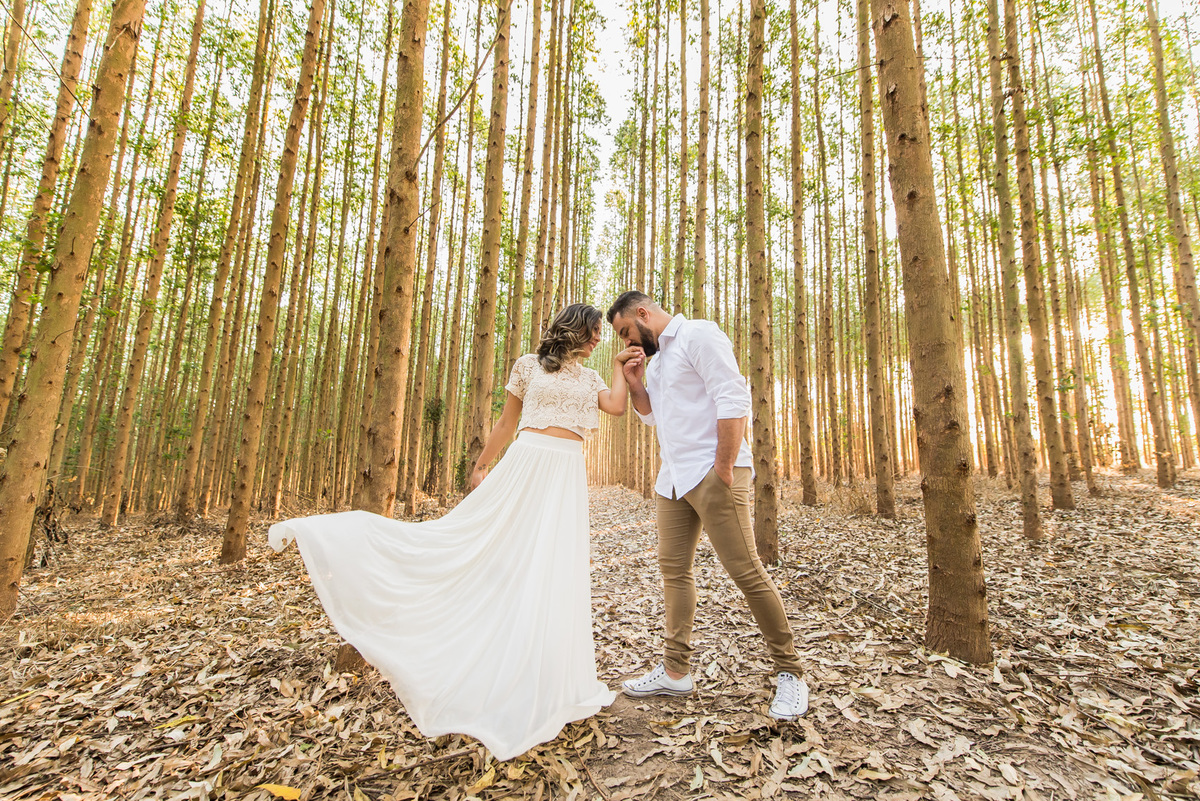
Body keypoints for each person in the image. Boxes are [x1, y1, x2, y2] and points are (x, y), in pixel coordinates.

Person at [269, 303, 635, 760]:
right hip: (525, 466)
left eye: (603, 334)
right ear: (572, 328)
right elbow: (506, 423)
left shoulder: (592, 378)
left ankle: (544, 674)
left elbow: (618, 408)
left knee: (554, 571)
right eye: (595, 331)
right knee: (476, 548)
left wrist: (620, 366)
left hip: (565, 478)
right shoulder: (528, 366)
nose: (600, 339)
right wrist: (481, 465)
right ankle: (332, 537)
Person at [606, 290, 809, 721]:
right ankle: (676, 670)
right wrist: (636, 380)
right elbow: (650, 415)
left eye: (626, 331)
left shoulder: (699, 334)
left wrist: (724, 466)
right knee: (674, 571)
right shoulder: (657, 359)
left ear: (643, 313)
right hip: (673, 480)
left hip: (714, 472)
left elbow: (732, 398)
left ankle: (791, 672)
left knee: (747, 572)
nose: (629, 341)